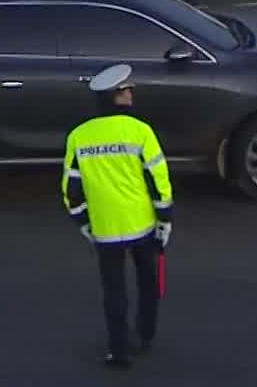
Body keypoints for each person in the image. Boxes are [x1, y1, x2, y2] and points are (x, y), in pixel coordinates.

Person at [62, 64, 173, 369]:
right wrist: (164, 219)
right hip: (142, 225)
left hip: (105, 229)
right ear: (116, 96)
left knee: (113, 291)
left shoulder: (79, 136)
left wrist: (83, 223)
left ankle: (118, 350)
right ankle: (145, 335)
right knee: (148, 282)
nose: (132, 93)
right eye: (127, 90)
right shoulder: (140, 131)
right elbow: (158, 180)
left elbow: (71, 189)